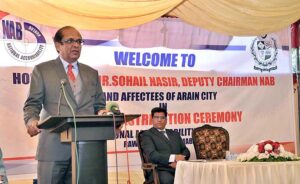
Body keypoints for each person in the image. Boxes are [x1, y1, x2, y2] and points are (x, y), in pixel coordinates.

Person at [23, 26, 107, 184]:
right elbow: (32, 104)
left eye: (79, 41)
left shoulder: (91, 73)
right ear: (57, 45)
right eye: (70, 41)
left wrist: (104, 114)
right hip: (53, 148)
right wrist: (31, 121)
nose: (76, 45)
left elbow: (99, 105)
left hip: (86, 149)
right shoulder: (43, 70)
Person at [140, 107, 190, 184]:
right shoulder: (146, 135)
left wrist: (179, 162)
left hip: (179, 167)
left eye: (162, 117)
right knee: (169, 180)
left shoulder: (175, 134)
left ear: (166, 120)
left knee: (194, 176)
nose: (159, 120)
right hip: (159, 170)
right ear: (152, 119)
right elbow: (152, 155)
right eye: (156, 117)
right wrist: (174, 157)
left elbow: (185, 150)